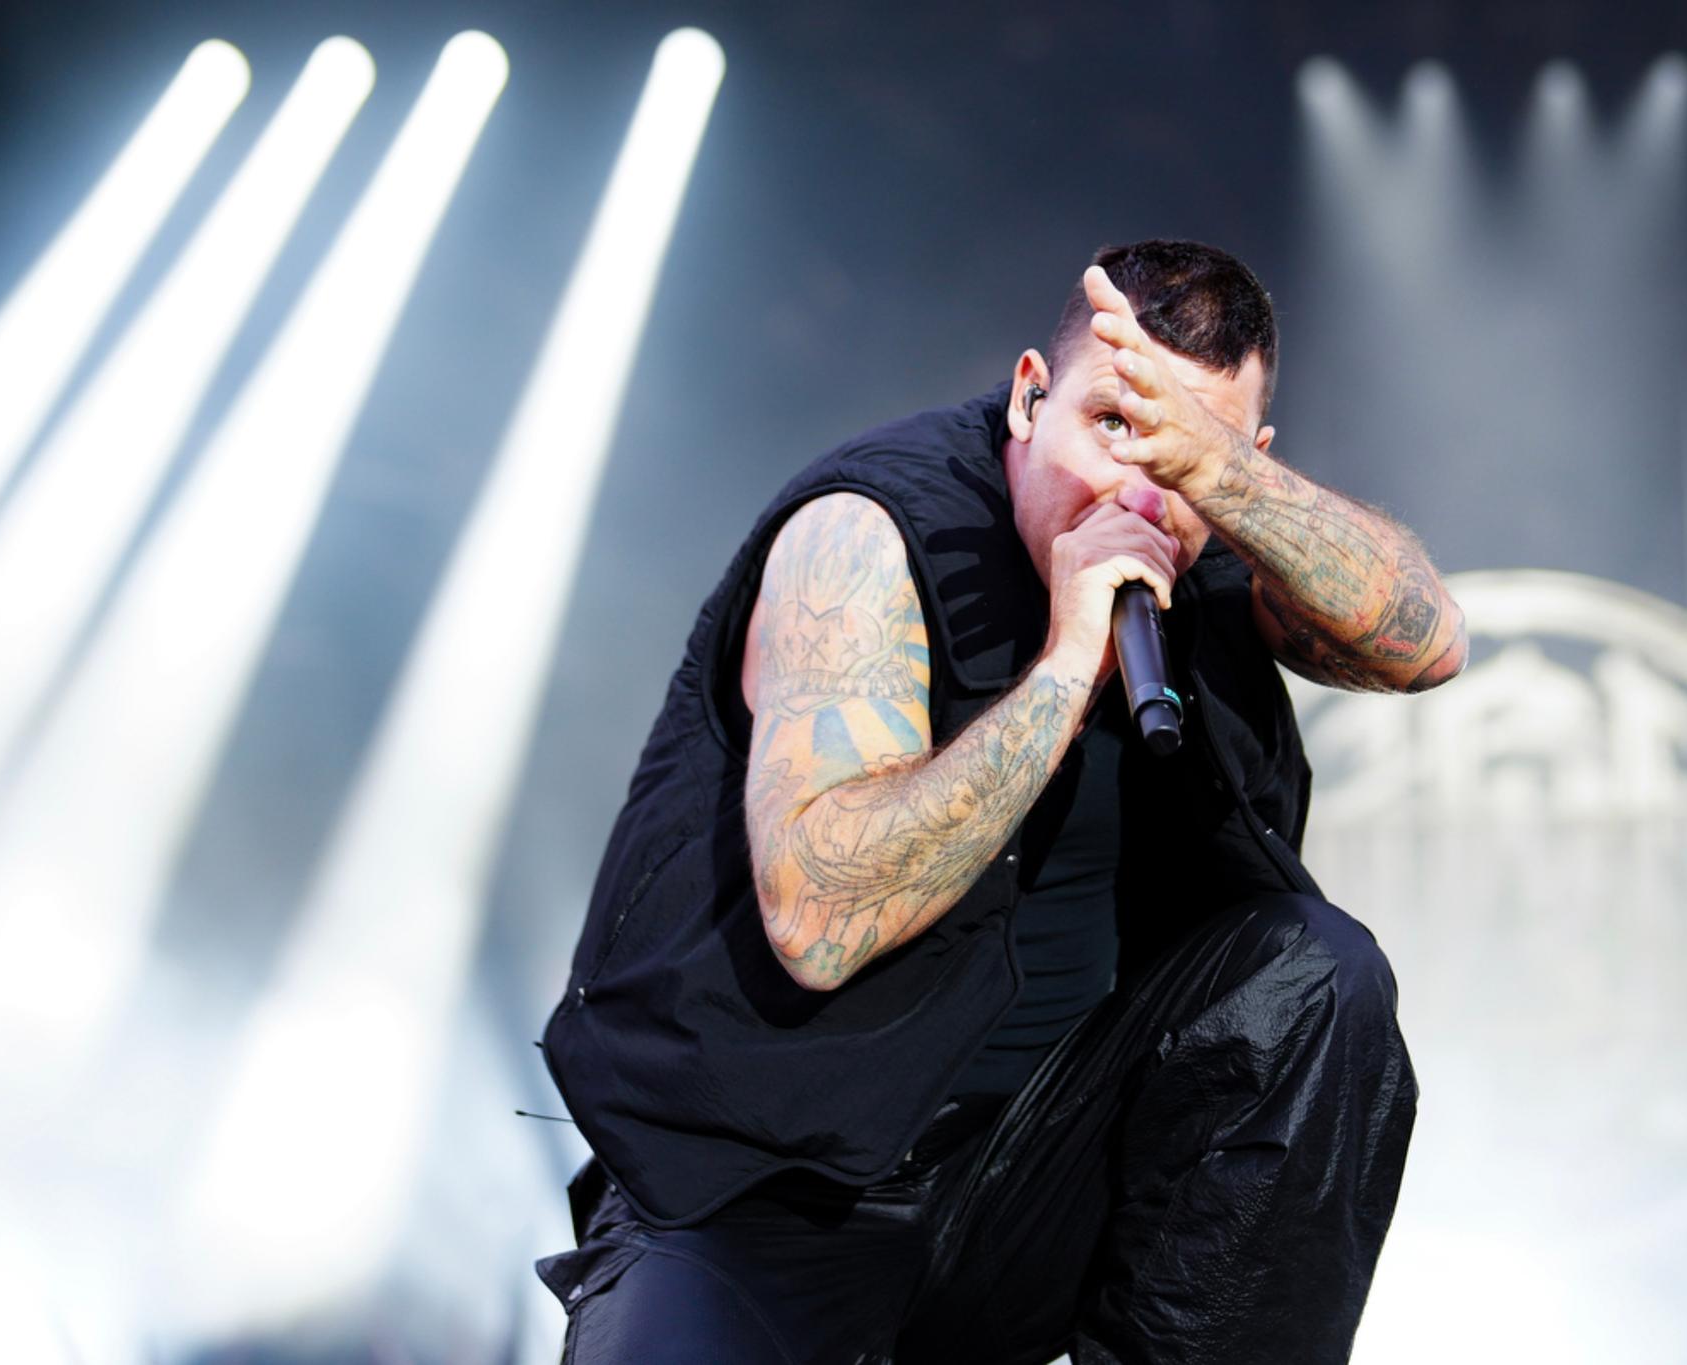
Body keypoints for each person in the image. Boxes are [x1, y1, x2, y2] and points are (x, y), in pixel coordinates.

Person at [535, 239, 1466, 1364]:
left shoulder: (1208, 535)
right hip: (760, 1196)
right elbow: (821, 924)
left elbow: (1426, 644)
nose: (1136, 489)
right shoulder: (868, 534)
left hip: (1027, 1183)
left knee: (1317, 973)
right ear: (1029, 396)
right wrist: (1067, 665)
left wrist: (1215, 480)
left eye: (1188, 453)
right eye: (1111, 425)